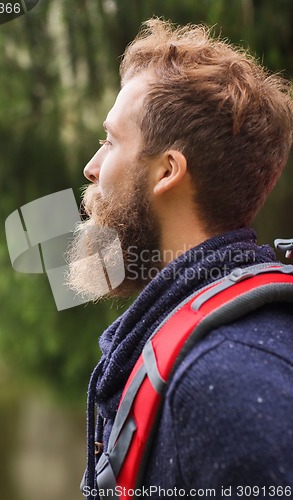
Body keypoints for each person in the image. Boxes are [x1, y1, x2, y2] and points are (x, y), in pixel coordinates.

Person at [67, 18, 293, 499]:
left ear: (167, 170)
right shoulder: (210, 357)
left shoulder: (223, 379)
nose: (92, 167)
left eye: (110, 141)